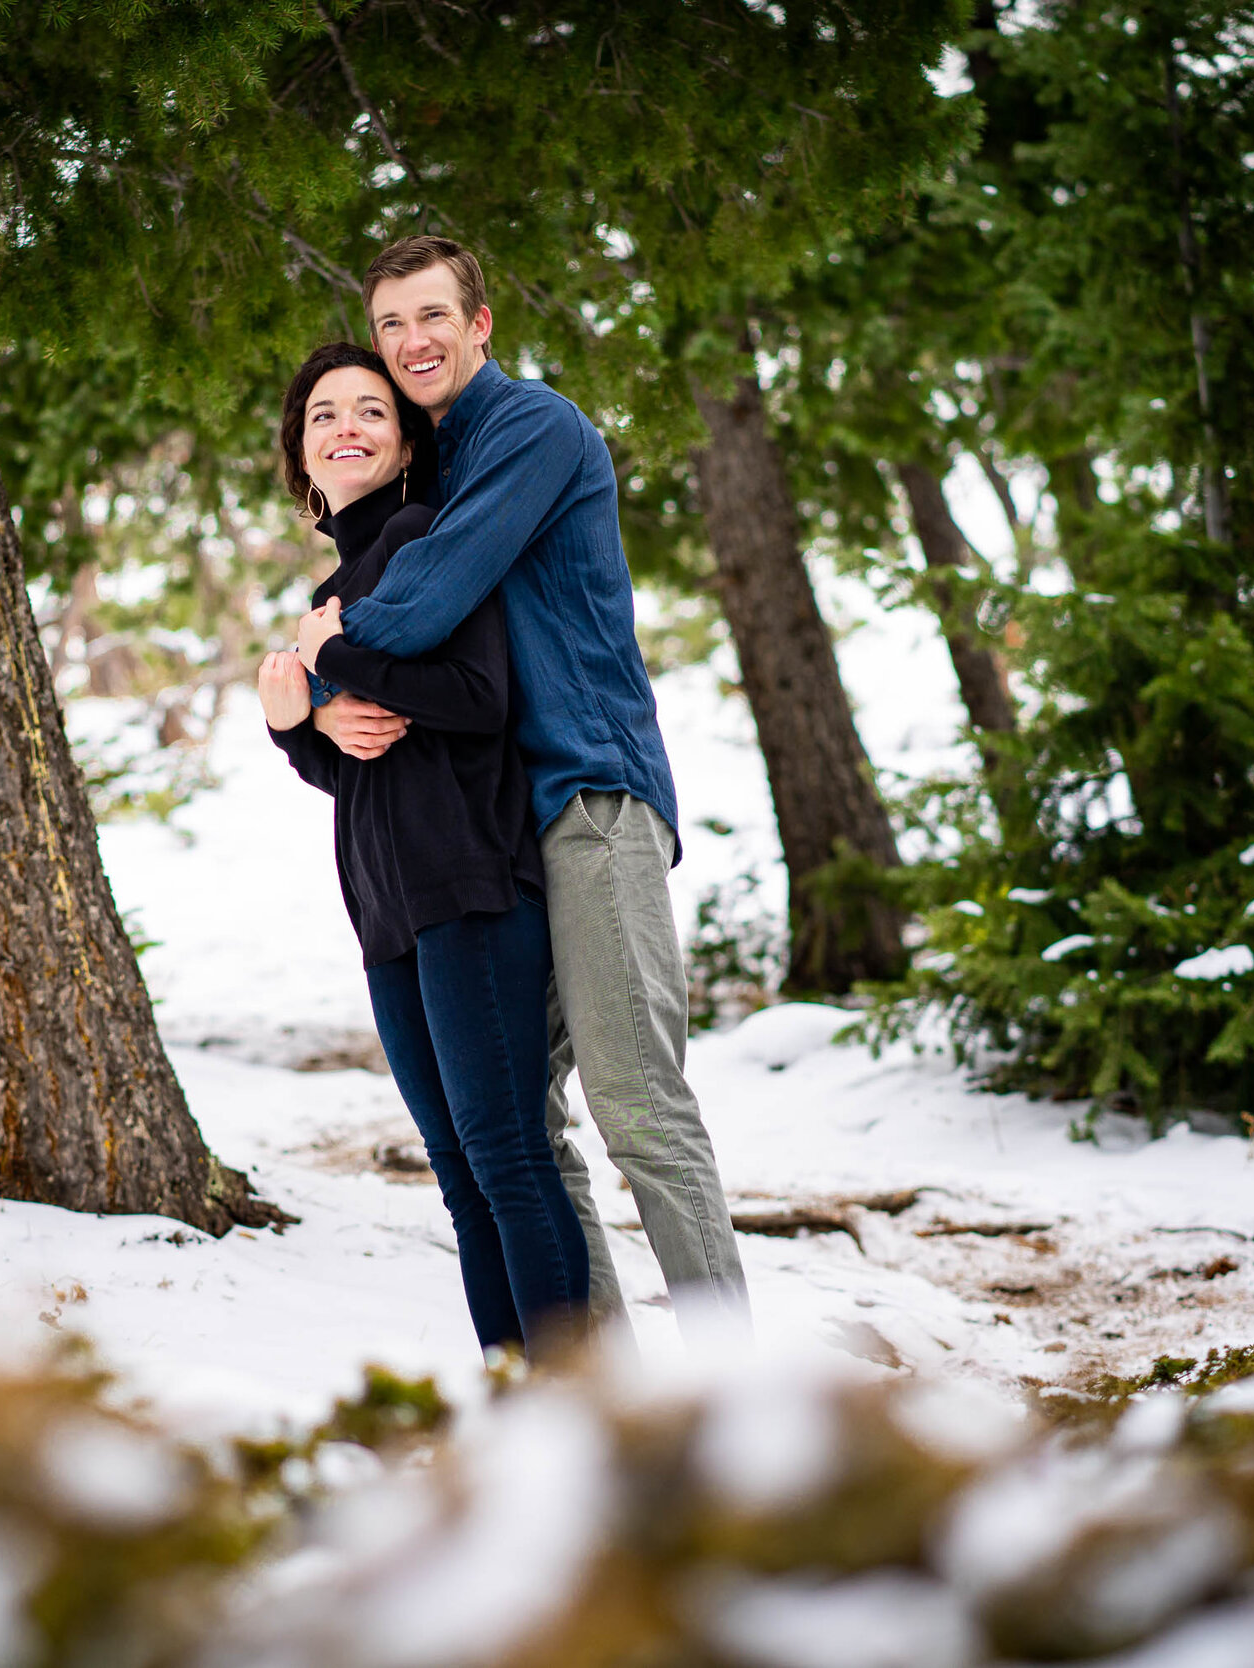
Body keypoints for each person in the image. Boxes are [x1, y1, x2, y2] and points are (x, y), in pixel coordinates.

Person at [296, 235, 752, 1343]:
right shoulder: (439, 465)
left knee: (637, 1108)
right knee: (525, 1130)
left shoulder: (531, 429)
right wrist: (316, 705)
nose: (412, 342)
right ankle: (602, 1404)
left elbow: (423, 604)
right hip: (513, 828)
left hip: (591, 799)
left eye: (433, 316)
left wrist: (324, 645)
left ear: (481, 323)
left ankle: (747, 1404)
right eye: (392, 322)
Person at [258, 341, 591, 1361]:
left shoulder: (423, 538)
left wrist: (331, 664)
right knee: (458, 1171)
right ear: (300, 457)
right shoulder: (332, 587)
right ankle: (514, 1410)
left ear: (406, 444)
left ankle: (577, 1417)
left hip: (468, 887)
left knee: (504, 1159)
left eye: (369, 410)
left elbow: (480, 700)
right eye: (323, 415)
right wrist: (298, 730)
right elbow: (363, 765)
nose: (345, 427)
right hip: (387, 910)